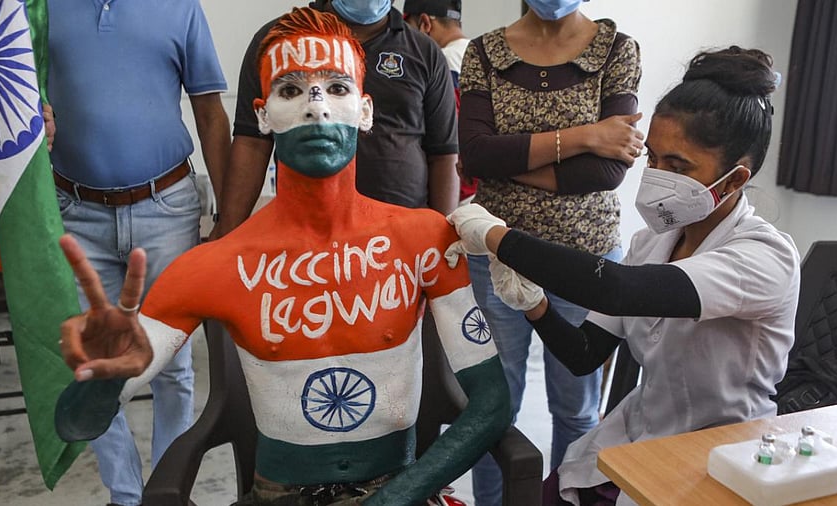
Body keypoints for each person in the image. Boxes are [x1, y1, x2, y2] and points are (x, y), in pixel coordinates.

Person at [56, 8, 510, 506]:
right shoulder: (215, 264)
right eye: (291, 90)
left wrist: (401, 495)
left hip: (399, 489)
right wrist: (104, 379)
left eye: (337, 89)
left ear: (365, 109)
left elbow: (491, 402)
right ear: (263, 113)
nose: (316, 108)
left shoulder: (425, 239)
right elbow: (76, 422)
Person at [447, 46, 799, 506]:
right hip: (638, 438)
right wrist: (534, 304)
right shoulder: (653, 242)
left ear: (733, 180)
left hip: (720, 454)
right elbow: (584, 353)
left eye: (678, 166)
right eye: (653, 157)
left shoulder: (764, 256)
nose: (656, 174)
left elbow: (616, 289)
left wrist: (497, 235)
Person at [456, 0, 643, 503]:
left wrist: (509, 156)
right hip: (497, 258)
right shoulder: (484, 51)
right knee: (494, 411)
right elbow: (473, 154)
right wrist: (586, 136)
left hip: (588, 262)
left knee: (577, 409)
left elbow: (606, 172)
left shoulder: (616, 50)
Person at [45, 0, 230, 504]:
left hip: (166, 207)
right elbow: (18, 90)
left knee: (172, 365)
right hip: (77, 210)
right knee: (96, 364)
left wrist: (232, 220)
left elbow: (210, 114)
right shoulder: (42, 8)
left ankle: (167, 493)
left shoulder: (180, 8)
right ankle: (126, 497)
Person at [211, 0, 460, 240]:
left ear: (366, 110)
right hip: (305, 234)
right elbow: (252, 143)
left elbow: (444, 154)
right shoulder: (278, 42)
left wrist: (442, 236)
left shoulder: (424, 51)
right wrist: (227, 232)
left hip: (404, 234)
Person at [402, 0, 476, 205]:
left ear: (425, 23)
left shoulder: (442, 61)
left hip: (455, 193)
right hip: (486, 190)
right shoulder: (482, 55)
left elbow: (446, 135)